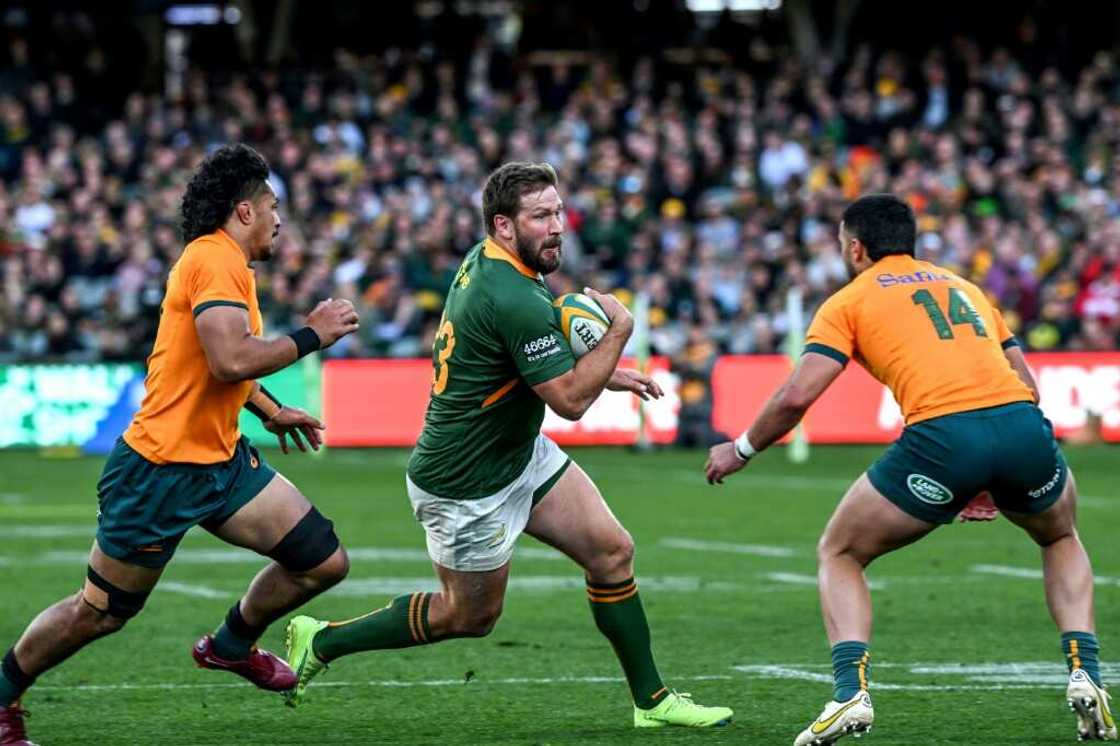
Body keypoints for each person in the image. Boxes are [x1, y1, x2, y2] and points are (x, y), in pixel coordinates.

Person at [283, 161, 733, 729]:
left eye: (559, 212)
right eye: (541, 215)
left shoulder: (500, 261)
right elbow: (569, 402)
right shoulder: (511, 293)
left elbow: (528, 359)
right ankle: (322, 641)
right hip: (466, 481)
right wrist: (618, 336)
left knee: (611, 550)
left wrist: (609, 372)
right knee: (468, 616)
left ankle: (652, 701)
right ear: (502, 224)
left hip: (517, 453)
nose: (558, 226)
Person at [705, 193, 1115, 745]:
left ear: (855, 247)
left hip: (945, 437)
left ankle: (849, 693)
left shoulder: (848, 301)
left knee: (841, 551)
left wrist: (743, 448)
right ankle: (1085, 671)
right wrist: (992, 476)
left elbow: (799, 395)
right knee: (1061, 535)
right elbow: (1029, 386)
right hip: (1020, 427)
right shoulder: (967, 289)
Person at [0, 144, 360, 746]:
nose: (280, 218)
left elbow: (208, 365)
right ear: (243, 211)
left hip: (221, 463)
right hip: (159, 471)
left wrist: (270, 411)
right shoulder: (214, 261)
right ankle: (3, 696)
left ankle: (229, 645)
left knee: (321, 560)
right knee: (101, 613)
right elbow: (227, 360)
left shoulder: (228, 265)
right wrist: (312, 334)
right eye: (273, 205)